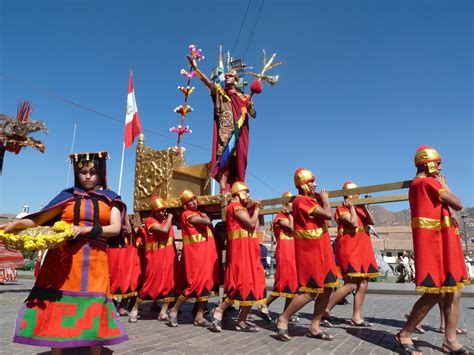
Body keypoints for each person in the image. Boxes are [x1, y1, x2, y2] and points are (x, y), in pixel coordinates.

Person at [0, 152, 128, 354]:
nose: (87, 176)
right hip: (62, 260)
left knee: (95, 303)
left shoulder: (111, 199)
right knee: (57, 303)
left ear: (100, 175)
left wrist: (85, 230)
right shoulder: (67, 197)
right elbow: (38, 220)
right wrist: (17, 223)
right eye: (83, 172)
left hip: (95, 260)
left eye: (92, 173)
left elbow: (115, 228)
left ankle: (94, 351)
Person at [397, 145, 470, 354]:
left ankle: (450, 339)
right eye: (438, 163)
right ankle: (405, 333)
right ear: (428, 163)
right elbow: (457, 203)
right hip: (434, 244)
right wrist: (444, 184)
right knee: (435, 293)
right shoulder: (426, 183)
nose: (440, 167)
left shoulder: (427, 183)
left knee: (454, 291)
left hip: (445, 240)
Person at [275, 168, 338, 341]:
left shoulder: (311, 201)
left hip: (323, 248)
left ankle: (315, 326)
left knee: (328, 287)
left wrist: (321, 201)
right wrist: (325, 199)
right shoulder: (301, 200)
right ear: (302, 184)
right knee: (310, 291)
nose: (315, 184)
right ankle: (283, 318)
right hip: (310, 251)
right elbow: (327, 214)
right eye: (311, 182)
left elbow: (328, 222)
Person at [188, 55, 256, 193]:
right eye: (226, 75)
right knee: (224, 162)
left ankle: (237, 188)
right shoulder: (220, 92)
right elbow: (208, 83)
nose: (227, 77)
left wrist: (250, 107)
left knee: (238, 162)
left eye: (230, 75)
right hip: (225, 131)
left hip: (239, 134)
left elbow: (254, 115)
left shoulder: (243, 96)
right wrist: (196, 69)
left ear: (236, 79)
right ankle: (223, 189)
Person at [209, 181, 266, 332]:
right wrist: (257, 208)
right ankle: (218, 311)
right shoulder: (234, 207)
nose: (248, 195)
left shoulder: (243, 209)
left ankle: (242, 321)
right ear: (239, 193)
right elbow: (251, 223)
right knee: (240, 284)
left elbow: (257, 228)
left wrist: (254, 209)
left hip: (249, 250)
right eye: (246, 192)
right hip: (240, 252)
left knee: (253, 284)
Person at [324, 181, 381, 327]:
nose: (359, 195)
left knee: (363, 282)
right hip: (350, 247)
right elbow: (354, 223)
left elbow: (372, 221)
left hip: (363, 246)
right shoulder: (342, 208)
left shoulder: (360, 208)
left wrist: (364, 207)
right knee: (351, 283)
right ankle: (325, 310)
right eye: (357, 193)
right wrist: (352, 208)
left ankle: (356, 317)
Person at [168, 190, 219, 327]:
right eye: (190, 201)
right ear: (185, 205)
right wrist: (204, 215)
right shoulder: (187, 214)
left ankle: (199, 316)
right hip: (196, 255)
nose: (194, 202)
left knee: (207, 285)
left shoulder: (195, 213)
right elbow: (207, 221)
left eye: (195, 199)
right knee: (194, 284)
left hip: (206, 254)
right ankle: (174, 310)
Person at [129, 196, 182, 323]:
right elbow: (164, 230)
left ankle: (163, 312)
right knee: (150, 284)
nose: (162, 212)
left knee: (170, 284)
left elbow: (180, 226)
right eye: (159, 210)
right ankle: (135, 309)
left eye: (164, 209)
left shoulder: (165, 219)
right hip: (155, 258)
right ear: (153, 211)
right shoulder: (149, 221)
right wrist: (170, 216)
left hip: (169, 257)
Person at [260, 192, 299, 323]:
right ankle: (265, 303)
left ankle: (287, 313)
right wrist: (289, 215)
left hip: (293, 251)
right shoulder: (280, 217)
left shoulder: (292, 216)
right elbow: (292, 228)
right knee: (283, 282)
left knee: (293, 284)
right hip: (285, 251)